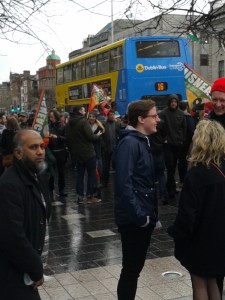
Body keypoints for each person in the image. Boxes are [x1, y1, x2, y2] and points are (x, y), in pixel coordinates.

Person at [167, 119, 225, 300]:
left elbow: (187, 216)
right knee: (213, 282)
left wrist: (174, 231)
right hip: (220, 240)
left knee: (199, 282)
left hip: (200, 240)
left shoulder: (196, 175)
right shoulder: (221, 169)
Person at [114, 99, 160, 300]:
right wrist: (141, 217)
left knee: (134, 268)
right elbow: (124, 184)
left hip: (141, 217)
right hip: (134, 221)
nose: (158, 119)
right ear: (141, 119)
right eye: (154, 115)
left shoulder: (140, 140)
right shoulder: (130, 143)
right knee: (131, 270)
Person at [0, 130, 51, 300]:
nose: (40, 152)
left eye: (42, 147)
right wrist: (35, 269)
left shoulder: (38, 178)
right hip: (13, 274)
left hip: (26, 272)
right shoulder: (9, 185)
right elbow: (13, 236)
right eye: (33, 147)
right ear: (19, 153)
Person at [208, 77, 225, 298]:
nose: (218, 104)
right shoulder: (208, 122)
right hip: (214, 195)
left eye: (222, 100)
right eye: (215, 100)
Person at [65, 105, 102, 204]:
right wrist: (97, 135)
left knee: (79, 176)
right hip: (88, 153)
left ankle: (80, 197)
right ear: (80, 111)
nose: (85, 111)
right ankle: (90, 196)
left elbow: (67, 137)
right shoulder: (83, 121)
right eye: (83, 109)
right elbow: (90, 137)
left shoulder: (69, 123)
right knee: (91, 175)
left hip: (76, 154)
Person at [159, 94, 186, 199]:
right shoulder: (163, 114)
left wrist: (182, 139)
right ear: (169, 102)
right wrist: (163, 139)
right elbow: (159, 128)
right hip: (168, 145)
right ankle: (170, 189)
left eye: (175, 101)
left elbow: (184, 127)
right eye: (172, 101)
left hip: (178, 144)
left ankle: (171, 187)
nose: (173, 103)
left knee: (173, 166)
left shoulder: (180, 113)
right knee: (170, 167)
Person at [48, 110, 68, 197]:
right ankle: (51, 189)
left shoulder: (62, 126)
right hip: (51, 151)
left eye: (52, 117)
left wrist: (58, 137)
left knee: (61, 172)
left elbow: (66, 138)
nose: (50, 118)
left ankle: (61, 189)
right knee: (51, 172)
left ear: (56, 117)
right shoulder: (48, 127)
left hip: (60, 151)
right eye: (49, 117)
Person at [178, 100, 195, 186]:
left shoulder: (176, 116)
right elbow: (192, 130)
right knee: (185, 161)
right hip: (186, 142)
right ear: (187, 107)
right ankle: (184, 179)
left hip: (176, 142)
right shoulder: (188, 117)